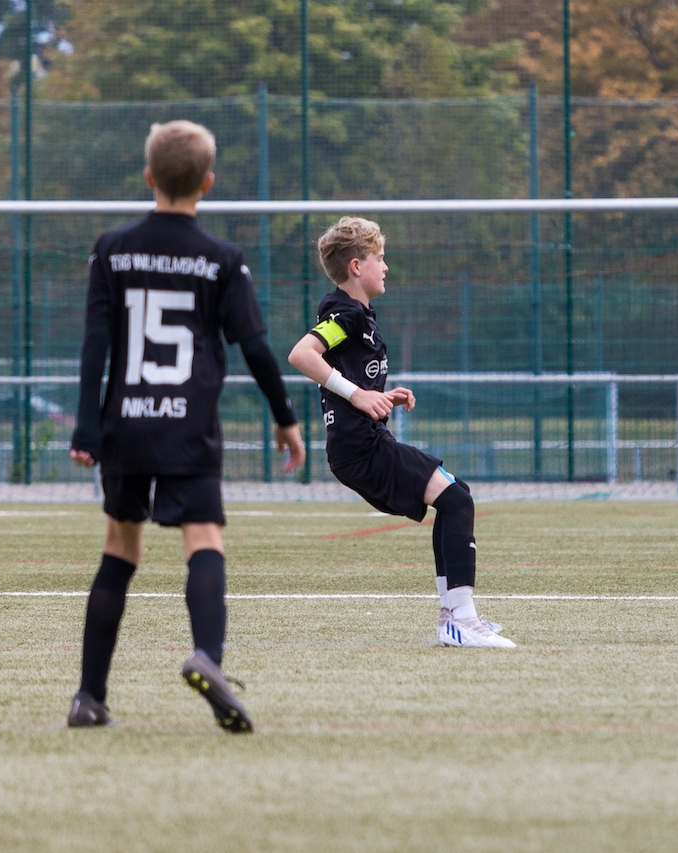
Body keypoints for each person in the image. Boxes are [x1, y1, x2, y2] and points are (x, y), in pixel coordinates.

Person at [67, 120, 306, 732]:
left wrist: (87, 428)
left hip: (125, 424)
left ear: (148, 177)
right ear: (207, 182)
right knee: (203, 539)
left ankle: (88, 698)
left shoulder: (111, 248)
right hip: (189, 425)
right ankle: (207, 657)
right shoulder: (221, 259)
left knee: (120, 547)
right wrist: (285, 418)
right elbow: (255, 347)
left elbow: (96, 344)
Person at [287, 216, 515, 649]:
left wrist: (379, 396)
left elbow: (345, 374)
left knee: (455, 496)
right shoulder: (345, 314)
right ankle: (461, 619)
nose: (386, 266)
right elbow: (302, 354)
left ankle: (454, 615)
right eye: (380, 257)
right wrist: (358, 395)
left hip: (364, 444)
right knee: (456, 499)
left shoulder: (357, 316)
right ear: (357, 266)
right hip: (361, 448)